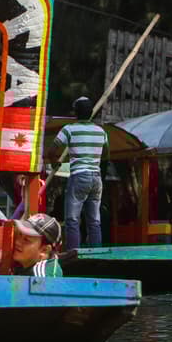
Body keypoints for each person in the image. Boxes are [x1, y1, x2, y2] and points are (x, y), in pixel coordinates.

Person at [47, 96, 109, 250]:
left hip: (79, 177)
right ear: (90, 113)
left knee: (72, 220)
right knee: (94, 220)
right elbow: (107, 155)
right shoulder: (101, 131)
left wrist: (56, 162)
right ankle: (96, 252)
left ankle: (73, 253)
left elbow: (52, 150)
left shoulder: (69, 129)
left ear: (75, 113)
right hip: (96, 178)